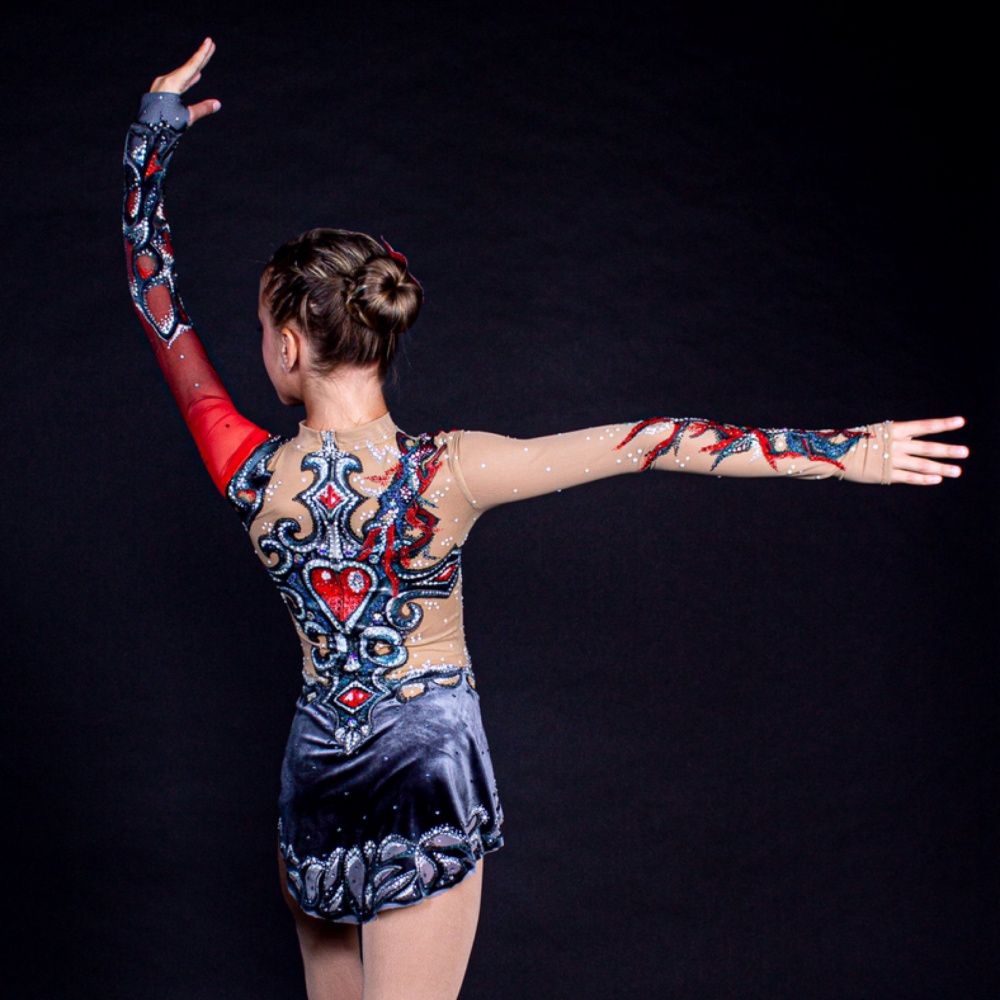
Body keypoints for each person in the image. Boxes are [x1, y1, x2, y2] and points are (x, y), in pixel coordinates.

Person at [121, 37, 969, 1000]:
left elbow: (160, 309)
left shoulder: (246, 468)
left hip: (313, 780)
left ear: (284, 346)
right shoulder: (453, 470)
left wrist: (150, 144)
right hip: (421, 780)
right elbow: (651, 439)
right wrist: (847, 452)